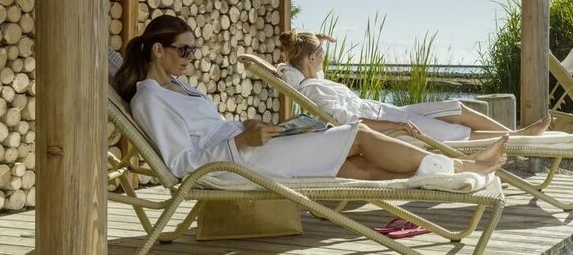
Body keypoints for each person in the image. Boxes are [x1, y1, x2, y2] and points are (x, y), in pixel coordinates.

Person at [110, 15, 508, 181]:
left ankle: (444, 178)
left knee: (348, 168)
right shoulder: (149, 100)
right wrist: (240, 141)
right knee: (358, 137)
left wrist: (248, 129)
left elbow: (210, 131)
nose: (190, 59)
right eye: (184, 51)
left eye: (192, 51)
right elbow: (181, 165)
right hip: (236, 164)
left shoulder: (180, 89)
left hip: (245, 148)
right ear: (157, 50)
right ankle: (461, 170)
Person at [274, 31, 552, 141]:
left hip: (388, 111)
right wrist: (396, 128)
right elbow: (350, 120)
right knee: (455, 132)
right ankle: (520, 138)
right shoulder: (313, 89)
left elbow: (291, 63)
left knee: (456, 106)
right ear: (311, 59)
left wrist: (315, 39)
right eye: (320, 54)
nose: (325, 57)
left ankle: (516, 133)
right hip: (387, 121)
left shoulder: (311, 81)